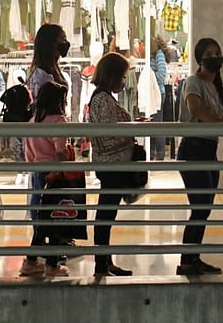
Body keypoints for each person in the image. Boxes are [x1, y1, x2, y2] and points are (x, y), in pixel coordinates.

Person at [175, 38, 223, 276]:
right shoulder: (193, 82)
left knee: (204, 207)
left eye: (217, 52)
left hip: (210, 149)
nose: (214, 56)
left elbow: (222, 119)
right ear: (200, 57)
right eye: (209, 53)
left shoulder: (216, 86)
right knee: (199, 207)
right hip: (193, 148)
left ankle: (193, 257)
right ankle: (187, 259)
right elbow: (196, 109)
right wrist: (221, 126)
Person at [87, 52, 136, 277]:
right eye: (122, 76)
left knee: (106, 214)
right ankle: (102, 263)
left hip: (112, 165)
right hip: (112, 165)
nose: (124, 81)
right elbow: (107, 138)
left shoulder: (103, 98)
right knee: (106, 215)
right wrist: (131, 133)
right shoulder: (103, 100)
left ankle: (105, 261)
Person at [20, 81, 71, 277]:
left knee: (41, 219)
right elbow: (60, 150)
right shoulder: (59, 121)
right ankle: (51, 265)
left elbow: (28, 153)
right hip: (54, 174)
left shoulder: (33, 122)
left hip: (38, 173)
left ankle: (31, 262)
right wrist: (66, 157)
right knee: (57, 218)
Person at [28, 24, 70, 220]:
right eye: (61, 39)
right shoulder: (41, 73)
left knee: (52, 188)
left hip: (55, 133)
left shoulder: (54, 68)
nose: (65, 43)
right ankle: (40, 227)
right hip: (46, 138)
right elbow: (41, 105)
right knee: (42, 186)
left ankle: (52, 227)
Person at [149, 35, 170, 161]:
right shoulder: (153, 55)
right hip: (152, 92)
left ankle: (160, 154)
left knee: (157, 124)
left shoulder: (159, 54)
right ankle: (152, 154)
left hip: (158, 93)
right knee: (152, 124)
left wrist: (150, 76)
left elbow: (162, 75)